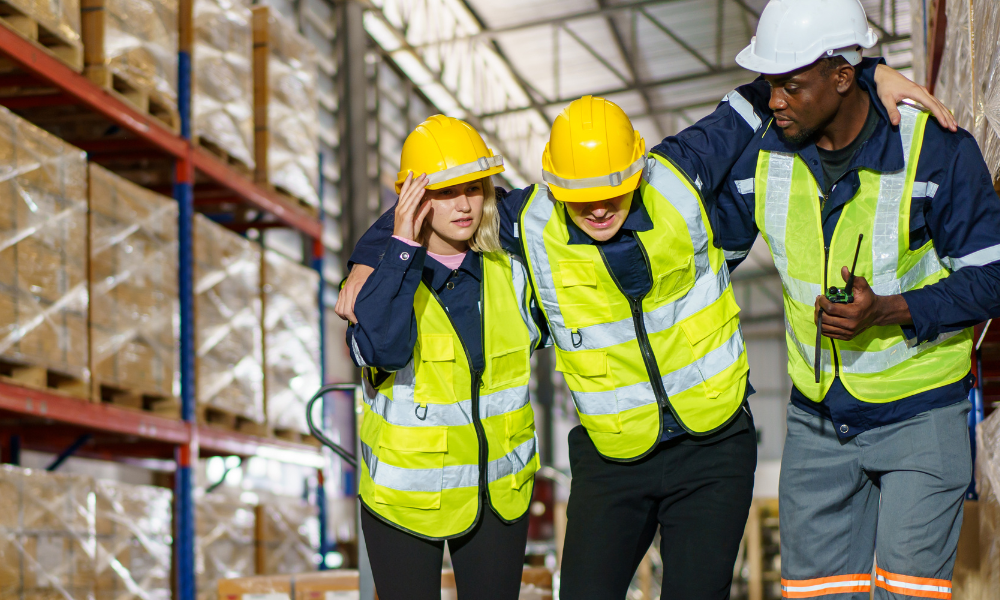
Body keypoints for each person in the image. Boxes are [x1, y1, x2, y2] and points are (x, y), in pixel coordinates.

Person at [339, 67, 950, 599]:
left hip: (714, 444)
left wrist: (864, 74)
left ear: (638, 166)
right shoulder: (530, 219)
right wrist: (372, 254)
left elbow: (766, 96)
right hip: (614, 457)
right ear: (554, 185)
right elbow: (445, 197)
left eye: (612, 191)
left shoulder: (680, 171)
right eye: (581, 198)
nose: (599, 209)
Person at [711, 0, 1000, 597]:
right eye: (769, 84)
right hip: (816, 423)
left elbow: (993, 277)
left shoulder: (935, 150)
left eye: (790, 86)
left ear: (842, 77)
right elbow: (701, 251)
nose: (773, 101)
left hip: (922, 415)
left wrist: (890, 309)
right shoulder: (762, 155)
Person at [347, 115, 543, 600]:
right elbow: (384, 349)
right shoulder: (381, 278)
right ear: (415, 199)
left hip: (498, 494)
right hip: (404, 501)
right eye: (446, 192)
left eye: (474, 188)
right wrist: (398, 246)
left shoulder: (512, 271)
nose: (463, 205)